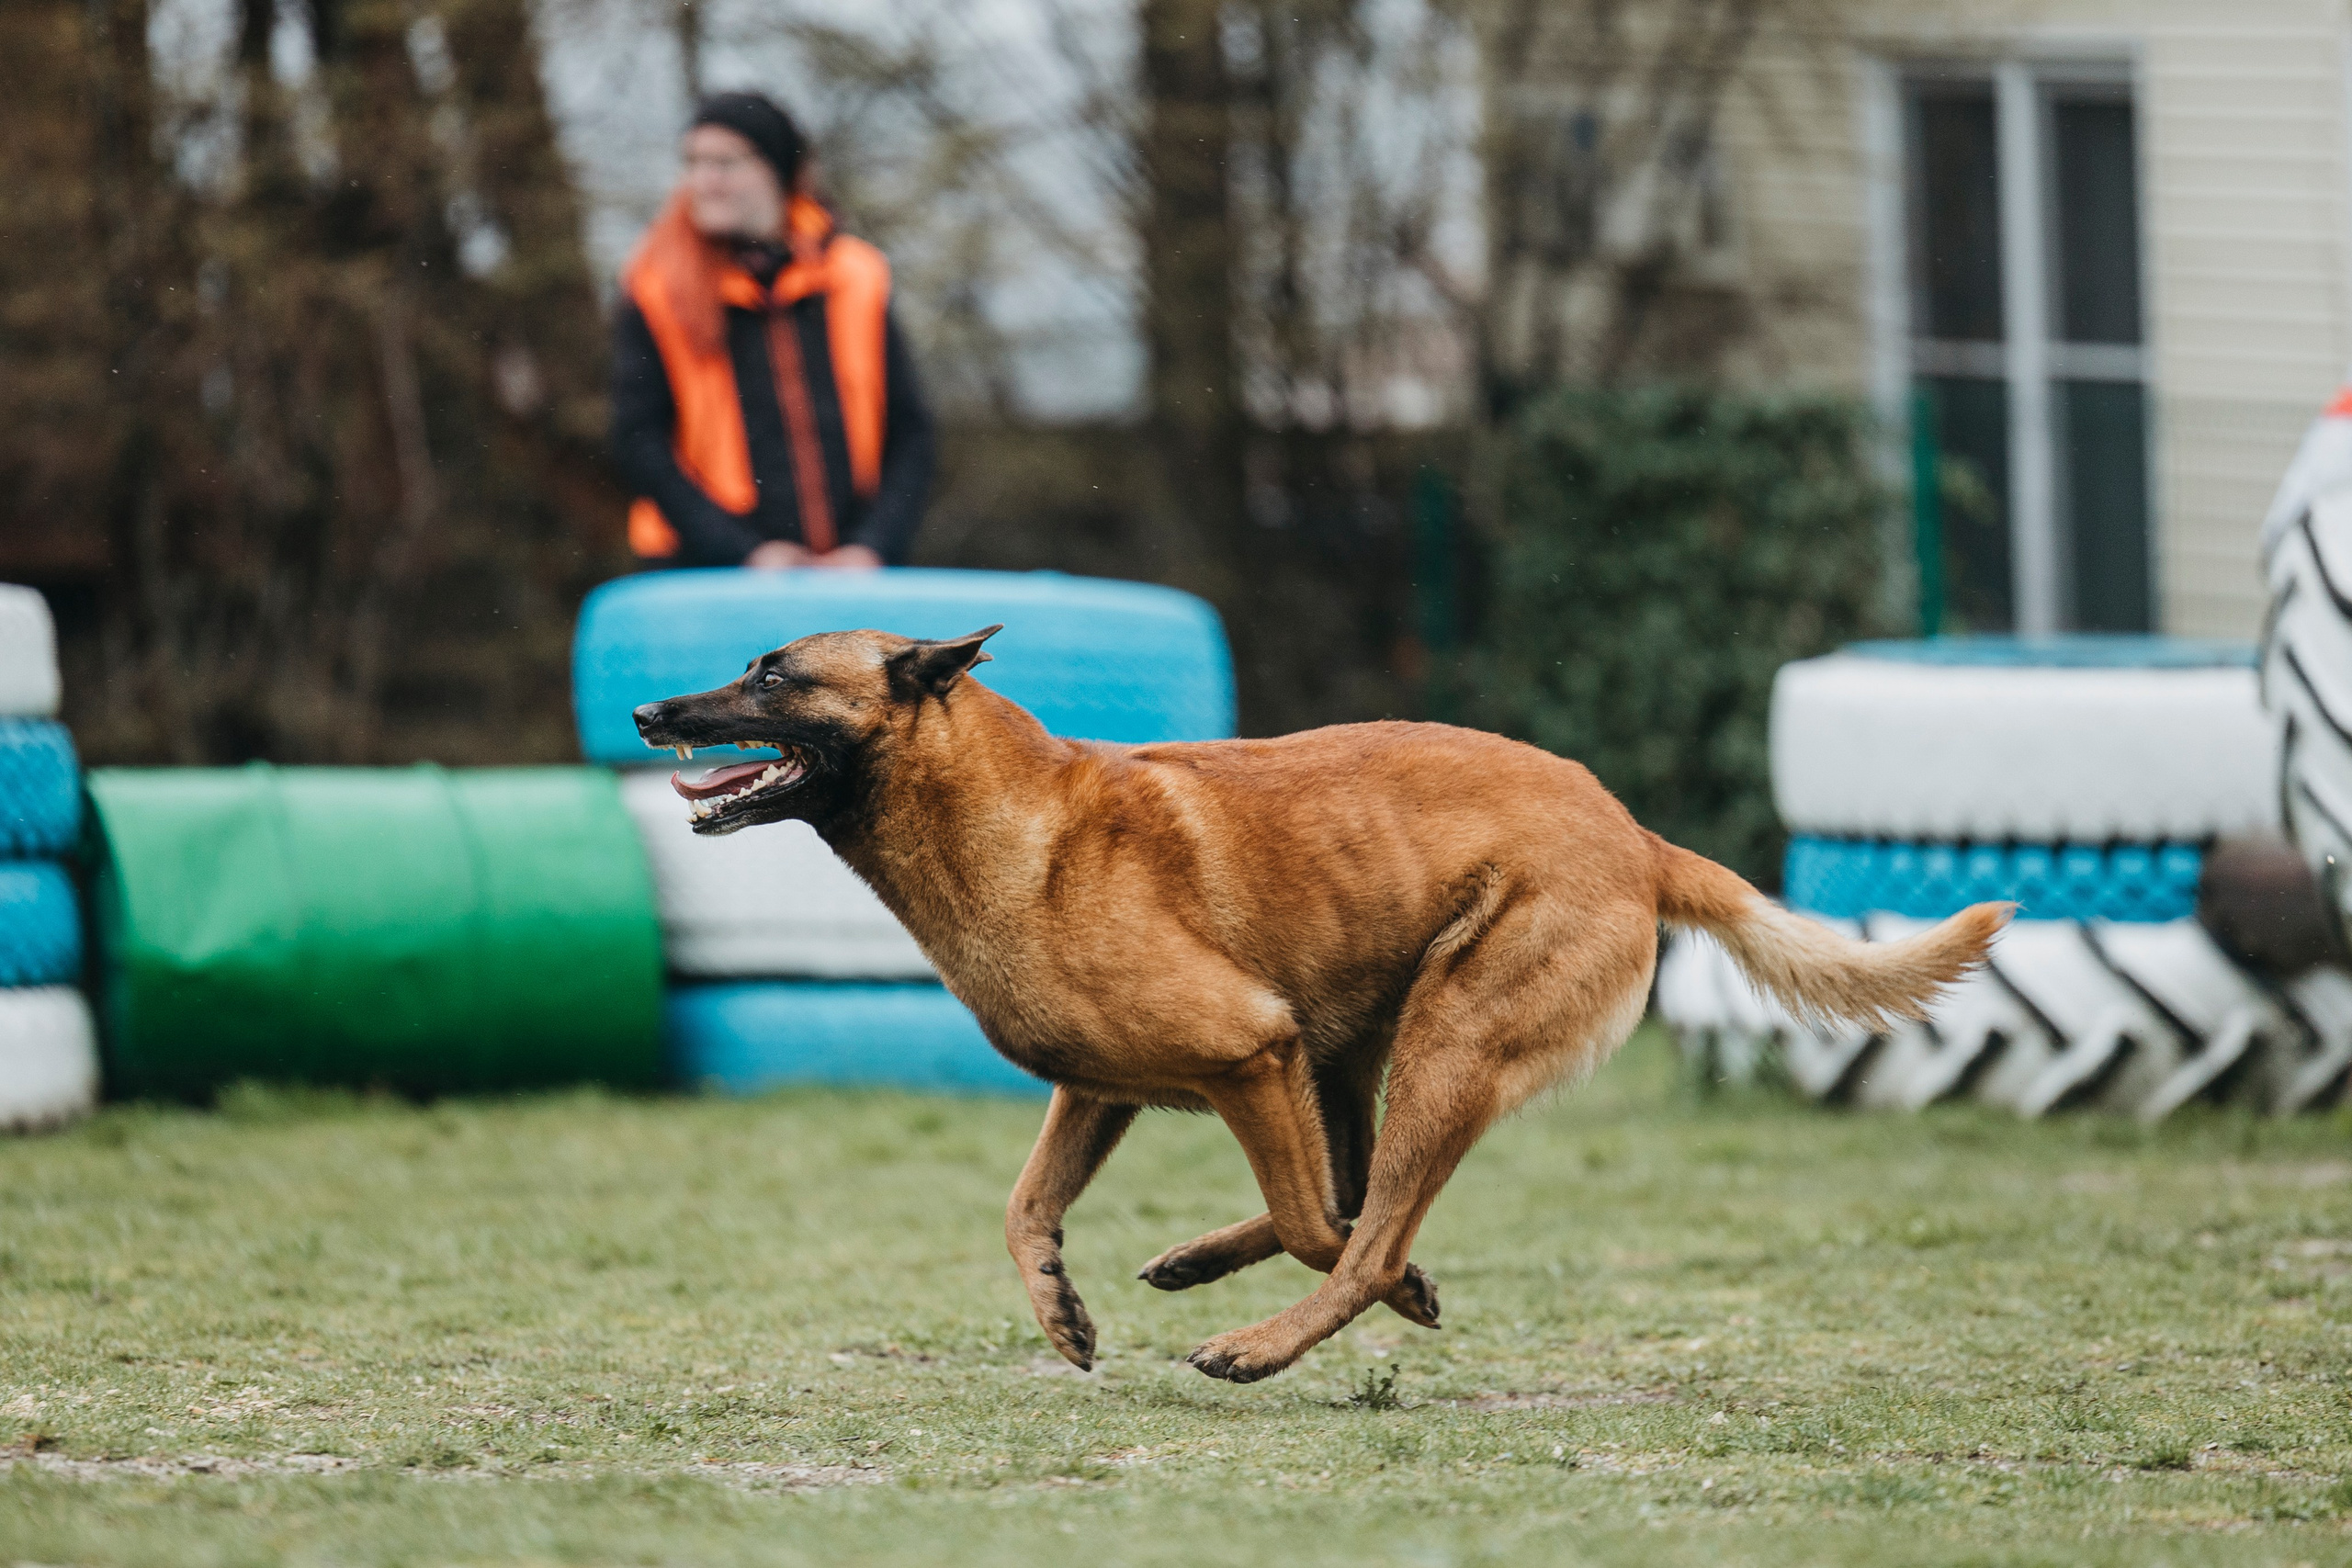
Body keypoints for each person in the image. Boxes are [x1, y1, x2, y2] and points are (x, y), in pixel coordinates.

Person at [612, 92, 934, 570]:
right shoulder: (656, 287)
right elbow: (638, 443)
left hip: (851, 576)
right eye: (694, 162)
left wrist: (872, 546)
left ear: (777, 170)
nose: (705, 181)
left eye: (725, 163)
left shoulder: (856, 275)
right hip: (702, 575)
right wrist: (744, 553)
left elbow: (912, 434)